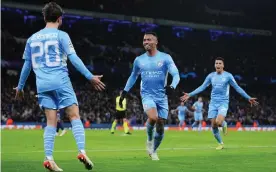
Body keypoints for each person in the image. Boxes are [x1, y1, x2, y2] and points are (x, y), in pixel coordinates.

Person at [14, 2, 105, 171]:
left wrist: (20, 87)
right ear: (60, 19)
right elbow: (74, 58)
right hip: (60, 80)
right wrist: (89, 76)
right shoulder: (61, 35)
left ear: (44, 17)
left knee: (51, 122)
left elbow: (27, 66)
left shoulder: (32, 39)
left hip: (42, 85)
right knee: (74, 116)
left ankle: (49, 158)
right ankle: (82, 151)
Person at [119, 32, 180, 160]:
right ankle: (149, 139)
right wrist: (125, 91)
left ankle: (153, 150)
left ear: (156, 42)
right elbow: (133, 76)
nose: (146, 42)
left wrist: (172, 86)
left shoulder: (165, 58)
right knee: (153, 117)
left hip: (162, 96)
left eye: (149, 40)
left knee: (161, 125)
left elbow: (176, 74)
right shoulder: (139, 60)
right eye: (144, 40)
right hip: (147, 94)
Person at [180, 57, 258, 150]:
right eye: (216, 63)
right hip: (213, 103)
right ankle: (221, 143)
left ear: (223, 65)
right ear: (214, 65)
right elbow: (202, 87)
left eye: (220, 63)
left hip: (223, 102)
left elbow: (237, 88)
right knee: (213, 125)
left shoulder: (228, 76)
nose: (218, 65)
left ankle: (224, 123)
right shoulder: (211, 76)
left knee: (218, 122)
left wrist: (248, 97)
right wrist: (190, 94)